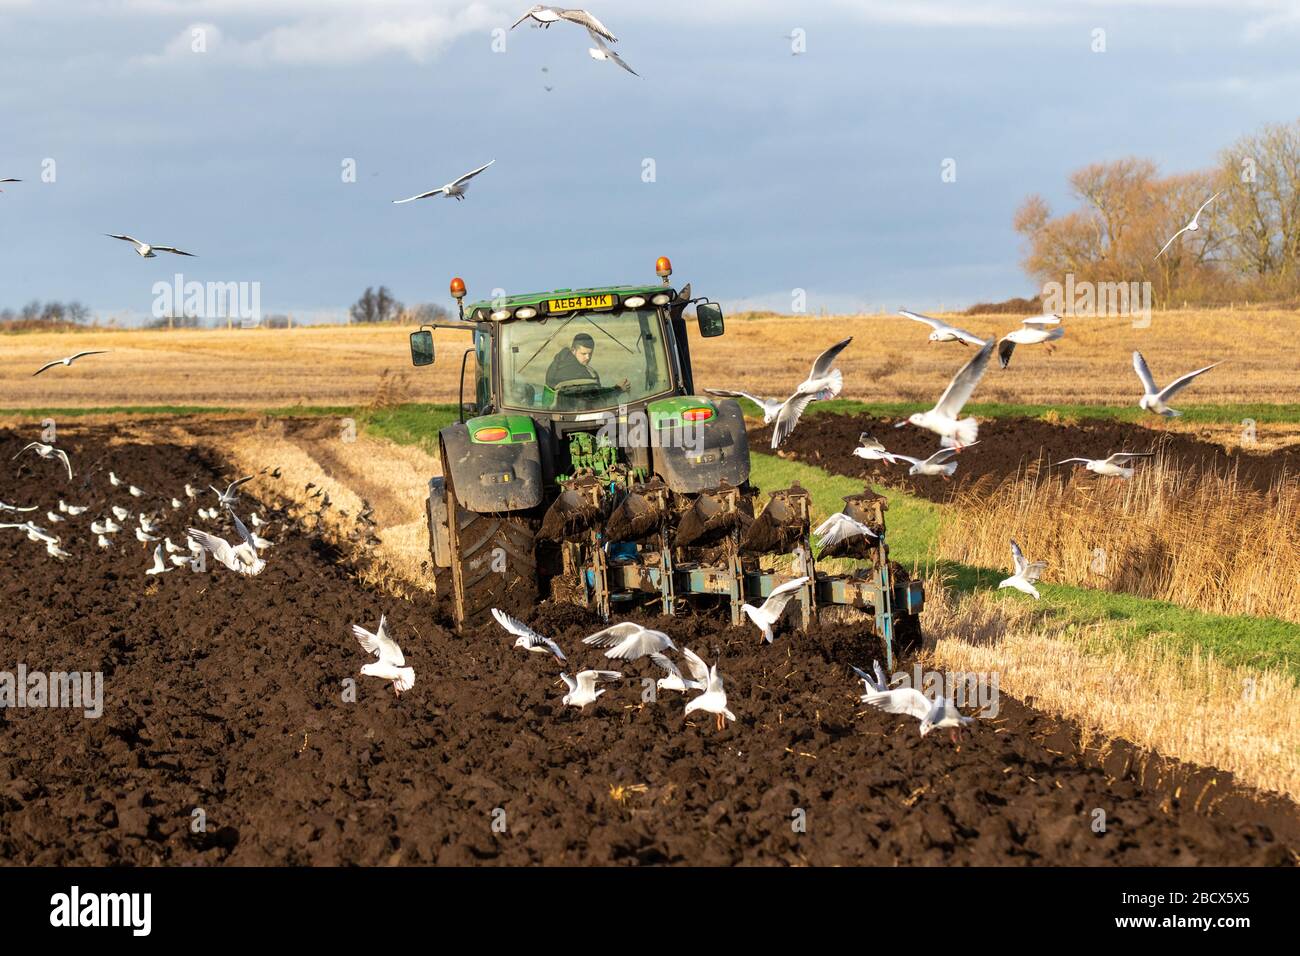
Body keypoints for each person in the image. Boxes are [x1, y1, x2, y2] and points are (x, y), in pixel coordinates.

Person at [545, 332, 629, 391]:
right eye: (583, 353)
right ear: (573, 350)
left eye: (590, 353)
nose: (587, 357)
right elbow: (595, 396)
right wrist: (617, 389)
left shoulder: (559, 362)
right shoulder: (579, 373)